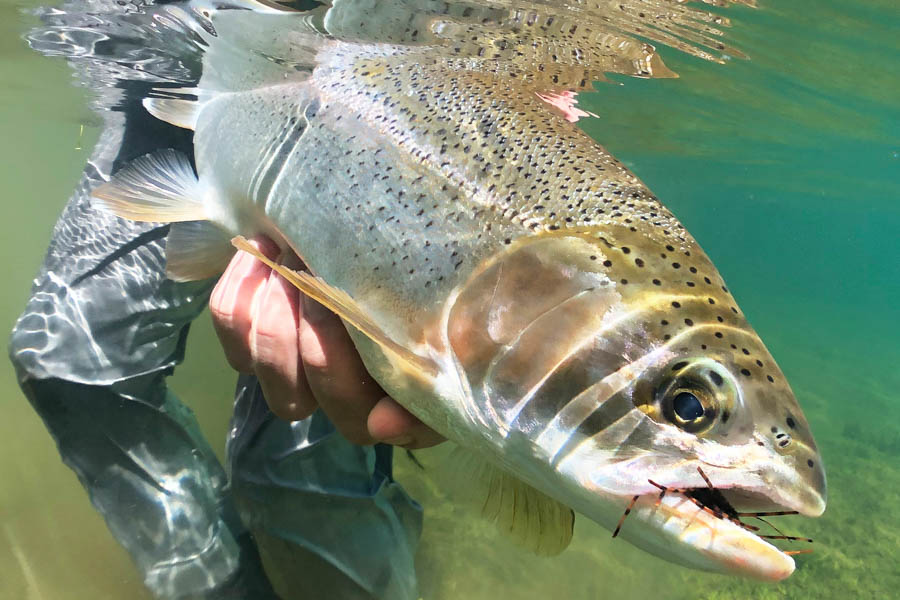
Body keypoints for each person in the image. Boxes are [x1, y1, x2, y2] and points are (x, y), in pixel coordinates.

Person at [9, 1, 439, 598]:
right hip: (170, 62)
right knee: (66, 364)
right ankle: (221, 584)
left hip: (367, 90)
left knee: (297, 455)